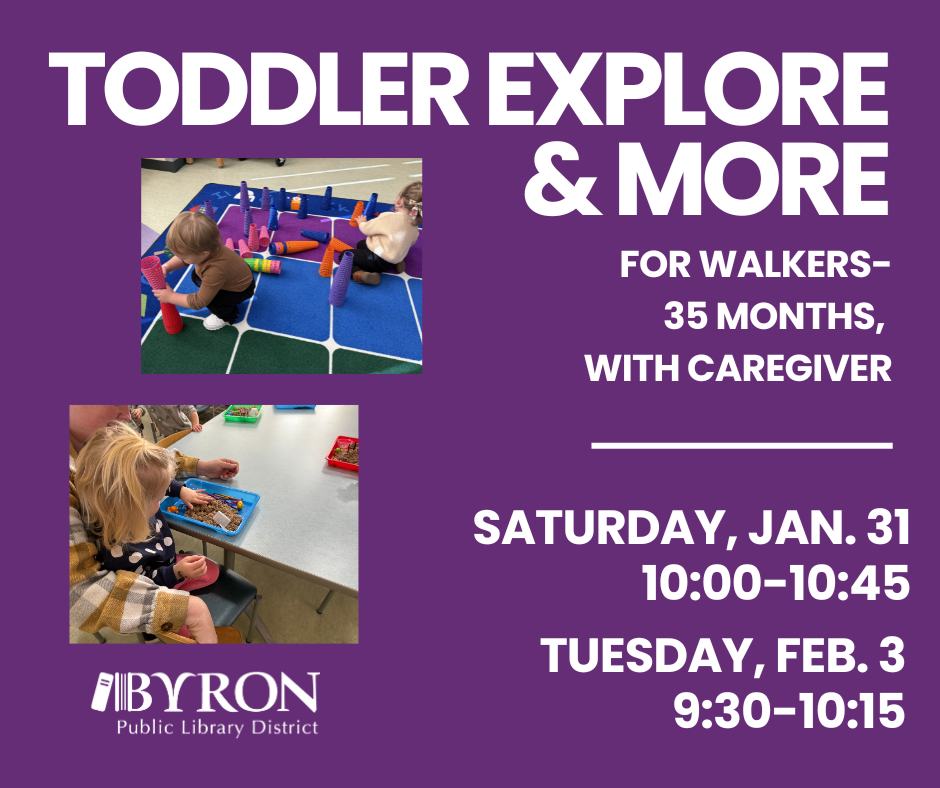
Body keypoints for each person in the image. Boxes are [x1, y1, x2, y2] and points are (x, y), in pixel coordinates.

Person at [69, 406, 239, 643]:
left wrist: (181, 487)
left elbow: (151, 478)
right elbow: (145, 582)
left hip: (164, 560)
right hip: (155, 580)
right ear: (132, 506)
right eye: (158, 499)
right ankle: (157, 635)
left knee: (211, 571)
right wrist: (176, 573)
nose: (127, 414)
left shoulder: (125, 493)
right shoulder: (122, 555)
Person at [151, 212, 255, 331]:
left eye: (183, 257)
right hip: (234, 276)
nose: (180, 259)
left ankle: (228, 316)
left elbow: (198, 302)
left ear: (203, 254)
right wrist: (166, 266)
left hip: (240, 290)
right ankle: (218, 295)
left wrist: (171, 297)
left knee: (212, 300)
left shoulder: (215, 270)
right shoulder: (208, 246)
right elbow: (184, 259)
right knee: (196, 275)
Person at [349, 181, 422, 285]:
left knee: (345, 256)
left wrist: (362, 222)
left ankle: (360, 275)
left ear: (399, 200)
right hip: (394, 258)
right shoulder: (414, 223)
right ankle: (397, 263)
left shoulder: (388, 217)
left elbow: (367, 229)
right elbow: (412, 242)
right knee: (361, 244)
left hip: (377, 260)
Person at [132, 405, 203, 438]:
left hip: (185, 432)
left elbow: (190, 410)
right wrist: (139, 410)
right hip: (168, 436)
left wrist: (195, 425)